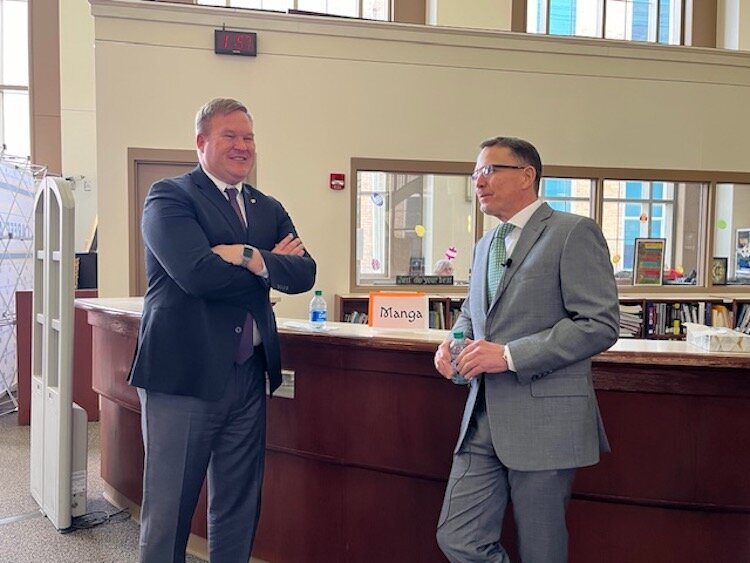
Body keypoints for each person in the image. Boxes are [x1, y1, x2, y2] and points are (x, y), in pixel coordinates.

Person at [128, 97, 316, 563]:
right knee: (169, 510)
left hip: (248, 376)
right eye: (229, 136)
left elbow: (305, 274)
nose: (242, 146)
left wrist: (247, 255)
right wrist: (270, 268)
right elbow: (196, 275)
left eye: (248, 137)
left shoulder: (266, 206)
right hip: (183, 377)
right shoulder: (170, 196)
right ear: (201, 142)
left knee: (238, 504)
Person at [433, 137, 619, 563]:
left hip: (545, 422)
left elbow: (599, 324)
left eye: (488, 171)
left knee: (542, 551)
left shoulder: (573, 232)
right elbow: (473, 313)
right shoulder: (485, 245)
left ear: (526, 175)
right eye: (475, 174)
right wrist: (452, 341)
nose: (478, 182)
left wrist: (509, 355)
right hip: (481, 420)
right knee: (457, 537)